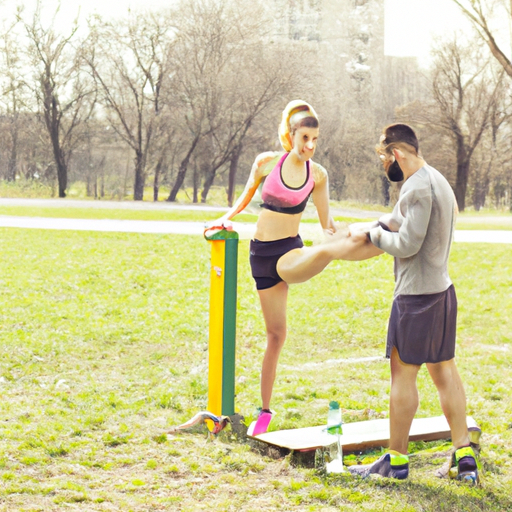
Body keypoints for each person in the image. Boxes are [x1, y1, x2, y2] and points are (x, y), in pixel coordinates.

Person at [211, 100, 368, 435]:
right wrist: (225, 219)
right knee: (276, 335)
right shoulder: (267, 163)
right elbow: (245, 197)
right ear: (291, 134)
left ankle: (376, 243)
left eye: (316, 140)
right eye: (305, 137)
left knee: (326, 249)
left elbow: (326, 223)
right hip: (261, 257)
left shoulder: (318, 175)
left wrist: (343, 233)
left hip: (289, 252)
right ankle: (264, 412)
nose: (310, 146)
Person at [347, 124, 479, 483]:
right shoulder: (435, 178)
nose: (386, 165)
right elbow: (402, 221)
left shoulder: (417, 187)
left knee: (402, 374)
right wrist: (369, 225)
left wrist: (374, 236)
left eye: (385, 158)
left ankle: (396, 462)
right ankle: (465, 457)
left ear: (397, 154)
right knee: (444, 373)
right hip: (442, 292)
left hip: (416, 299)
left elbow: (406, 243)